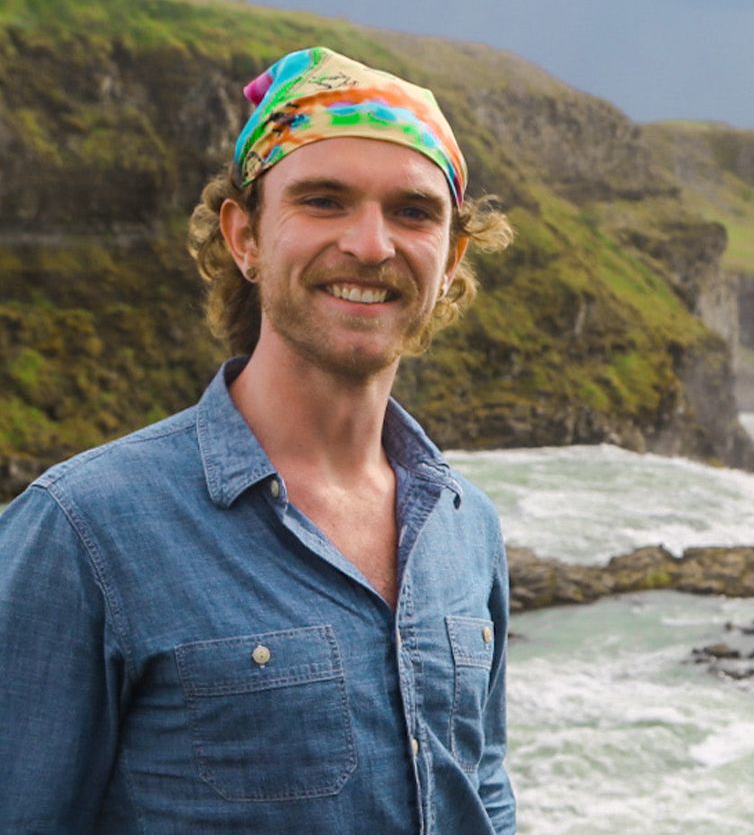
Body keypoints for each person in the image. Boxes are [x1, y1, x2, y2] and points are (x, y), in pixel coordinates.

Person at [0, 46, 516, 833]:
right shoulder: (79, 531)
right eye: (323, 201)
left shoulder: (466, 527)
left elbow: (482, 797)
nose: (371, 245)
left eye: (413, 211)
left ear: (451, 257)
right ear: (243, 237)